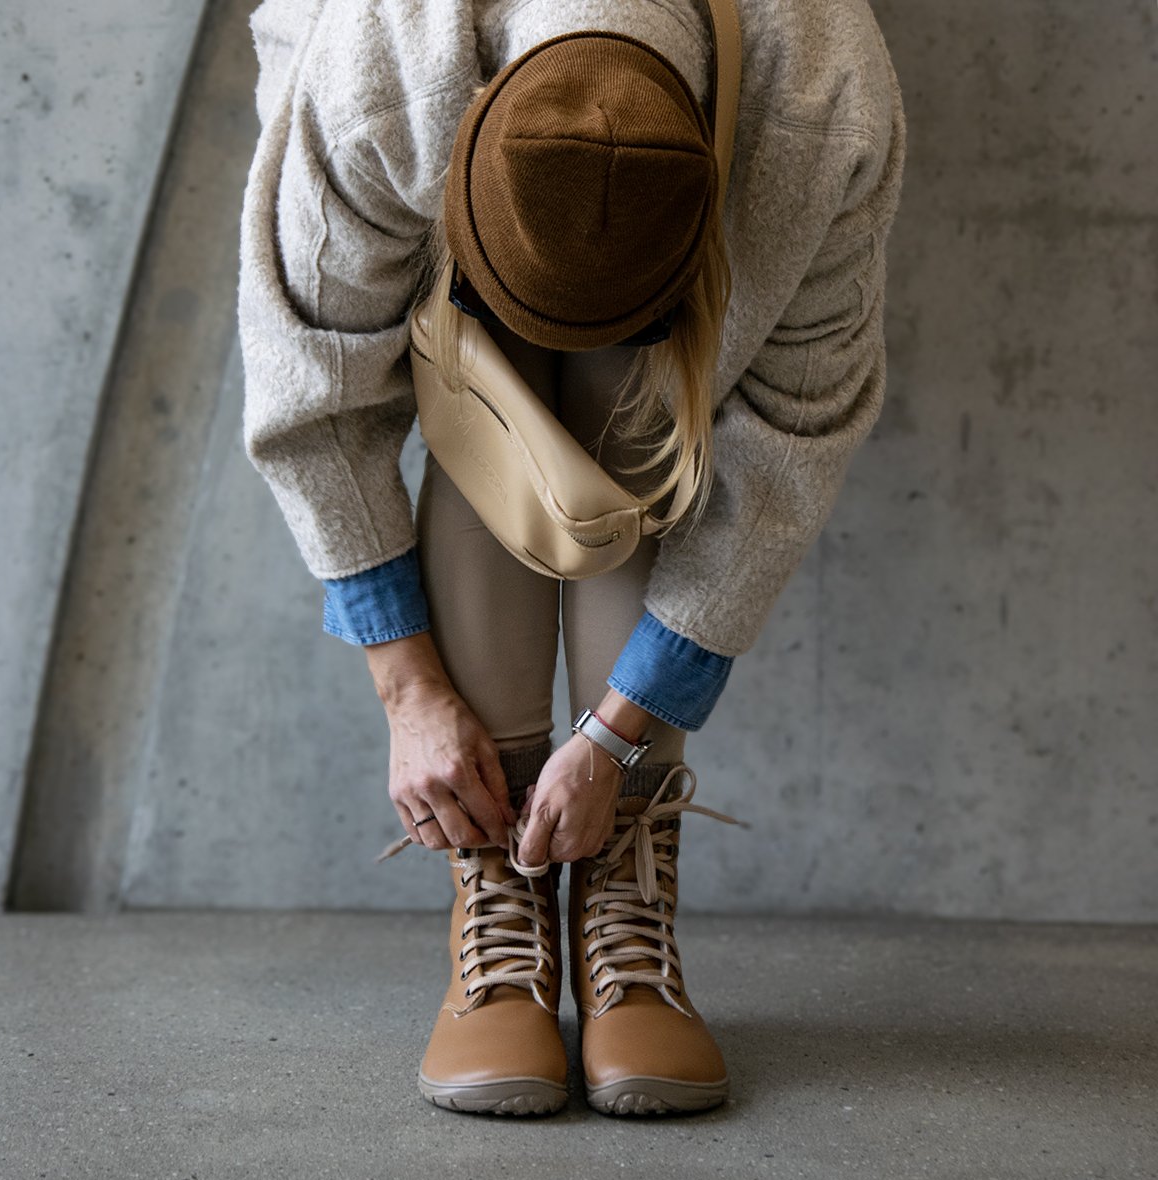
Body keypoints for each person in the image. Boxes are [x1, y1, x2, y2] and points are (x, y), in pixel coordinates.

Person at [239, 0, 904, 1116]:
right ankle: (494, 869)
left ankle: (620, 878)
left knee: (633, 422)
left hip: (736, 188)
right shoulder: (375, 88)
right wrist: (409, 694)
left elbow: (790, 445)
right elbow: (314, 404)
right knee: (489, 424)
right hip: (402, 131)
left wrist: (618, 739)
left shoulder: (821, 119)